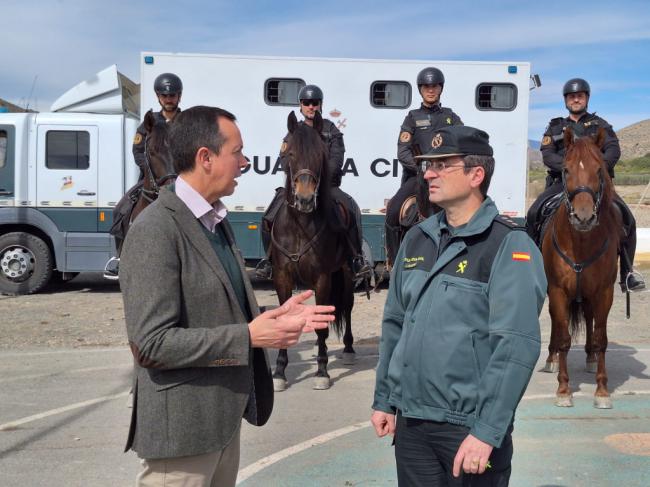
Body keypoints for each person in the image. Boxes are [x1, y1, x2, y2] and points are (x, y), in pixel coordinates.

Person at [119, 105, 335, 487]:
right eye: (236, 153)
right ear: (205, 158)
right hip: (182, 439)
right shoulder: (155, 229)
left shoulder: (216, 222)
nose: (245, 162)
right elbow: (151, 345)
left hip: (221, 425)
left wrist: (272, 315)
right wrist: (250, 336)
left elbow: (215, 305)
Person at [371, 125, 547, 486]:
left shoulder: (508, 244)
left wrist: (486, 431)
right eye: (427, 165)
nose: (429, 174)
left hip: (467, 428)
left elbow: (514, 345)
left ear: (476, 175)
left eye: (442, 165)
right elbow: (395, 324)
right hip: (412, 424)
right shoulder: (417, 238)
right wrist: (386, 399)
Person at [526, 77, 645, 291]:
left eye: (579, 96)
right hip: (562, 182)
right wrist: (570, 168)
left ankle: (627, 274)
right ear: (566, 100)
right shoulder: (555, 126)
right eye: (572, 97)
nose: (576, 100)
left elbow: (613, 150)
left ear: (586, 98)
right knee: (534, 213)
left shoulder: (601, 125)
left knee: (628, 218)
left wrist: (593, 169)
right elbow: (547, 154)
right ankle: (531, 267)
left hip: (596, 184)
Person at [256, 84, 372, 280]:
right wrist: (299, 174)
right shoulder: (294, 131)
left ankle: (356, 258)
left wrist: (322, 177)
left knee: (350, 209)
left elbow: (337, 157)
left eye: (314, 103)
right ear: (301, 105)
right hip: (298, 185)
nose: (311, 106)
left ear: (320, 105)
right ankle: (268, 260)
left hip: (327, 186)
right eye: (306, 103)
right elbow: (285, 158)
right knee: (268, 216)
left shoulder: (330, 130)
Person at [385, 66, 463, 269]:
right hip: (417, 178)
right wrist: (421, 168)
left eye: (434, 86)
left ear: (440, 89)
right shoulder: (412, 117)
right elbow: (403, 151)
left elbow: (463, 144)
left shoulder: (451, 117)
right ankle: (393, 264)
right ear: (420, 89)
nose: (430, 90)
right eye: (426, 86)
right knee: (393, 210)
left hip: (446, 177)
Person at [132, 72, 183, 180]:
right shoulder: (150, 121)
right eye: (164, 95)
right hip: (153, 179)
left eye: (172, 95)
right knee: (130, 197)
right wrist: (153, 169)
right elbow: (138, 151)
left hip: (180, 178)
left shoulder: (186, 122)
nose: (168, 99)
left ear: (179, 96)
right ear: (158, 96)